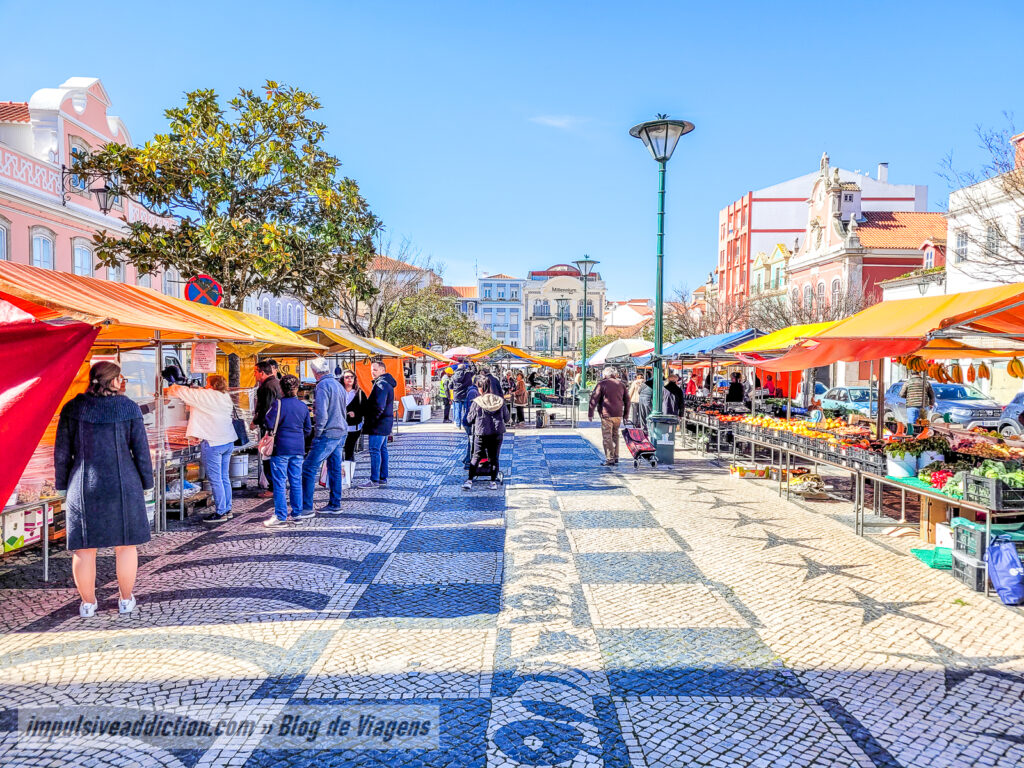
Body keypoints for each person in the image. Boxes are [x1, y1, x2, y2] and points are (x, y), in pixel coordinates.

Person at [55, 362, 153, 617]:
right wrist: (147, 483)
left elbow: (62, 453)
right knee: (126, 546)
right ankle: (125, 599)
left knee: (84, 548)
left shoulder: (73, 408)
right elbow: (141, 451)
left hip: (83, 485)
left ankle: (87, 605)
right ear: (114, 380)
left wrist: (62, 486)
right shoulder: (128, 407)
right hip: (124, 484)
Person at [166, 374, 237, 523]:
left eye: (207, 383)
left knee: (216, 479)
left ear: (211, 385)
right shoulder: (225, 397)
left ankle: (221, 512)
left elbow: (182, 392)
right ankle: (227, 508)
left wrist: (172, 384)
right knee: (224, 477)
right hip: (228, 440)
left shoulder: (207, 395)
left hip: (213, 442)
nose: (204, 385)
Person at [263, 374, 312, 527]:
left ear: (281, 388)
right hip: (298, 448)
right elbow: (308, 429)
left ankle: (280, 515)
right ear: (296, 388)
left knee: (279, 483)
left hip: (281, 448)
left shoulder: (277, 404)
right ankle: (297, 514)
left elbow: (268, 423)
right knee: (296, 481)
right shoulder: (303, 406)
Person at [301, 358, 346, 514]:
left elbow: (321, 413)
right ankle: (335, 504)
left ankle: (306, 507)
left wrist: (317, 434)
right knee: (334, 468)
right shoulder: (338, 385)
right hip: (340, 431)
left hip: (328, 433)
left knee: (308, 468)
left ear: (314, 372)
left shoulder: (322, 386)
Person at [464, 375, 509, 490]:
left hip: (481, 433)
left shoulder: (477, 402)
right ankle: (493, 482)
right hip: (497, 433)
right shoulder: (500, 401)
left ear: (481, 388)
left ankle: (469, 481)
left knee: (476, 456)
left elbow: (469, 419)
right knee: (494, 457)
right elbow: (507, 418)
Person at [359, 360, 396, 487]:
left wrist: (372, 420)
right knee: (382, 450)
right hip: (385, 423)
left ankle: (374, 479)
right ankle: (382, 477)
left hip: (378, 424)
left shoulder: (381, 384)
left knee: (375, 450)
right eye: (371, 370)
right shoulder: (387, 383)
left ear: (382, 370)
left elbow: (379, 406)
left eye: (375, 370)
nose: (372, 372)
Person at [252, 361, 283, 498]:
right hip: (278, 427)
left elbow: (266, 409)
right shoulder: (276, 383)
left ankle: (272, 488)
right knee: (272, 457)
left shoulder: (266, 387)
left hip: (270, 428)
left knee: (267, 456)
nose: (254, 375)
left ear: (262, 372)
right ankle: (275, 485)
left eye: (255, 372)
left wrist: (255, 421)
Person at [589, 366, 630, 466]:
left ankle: (610, 458)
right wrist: (626, 415)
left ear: (605, 374)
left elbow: (594, 399)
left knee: (607, 436)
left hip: (607, 414)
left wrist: (591, 413)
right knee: (615, 435)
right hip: (618, 414)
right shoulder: (621, 384)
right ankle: (616, 456)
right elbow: (628, 401)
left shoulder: (602, 384)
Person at [341, 368, 368, 488]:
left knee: (349, 450)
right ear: (343, 379)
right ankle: (340, 476)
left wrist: (355, 413)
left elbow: (365, 409)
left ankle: (348, 477)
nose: (349, 379)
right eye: (347, 377)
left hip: (354, 428)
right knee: (339, 452)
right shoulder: (339, 391)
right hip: (340, 427)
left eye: (351, 377)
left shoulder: (359, 393)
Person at [899, 370, 935, 436]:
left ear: (911, 374)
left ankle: (912, 438)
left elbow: (901, 394)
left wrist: (909, 396)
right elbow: (932, 395)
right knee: (923, 424)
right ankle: (922, 437)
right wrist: (931, 404)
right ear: (920, 374)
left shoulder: (907, 382)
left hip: (911, 406)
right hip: (923, 406)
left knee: (912, 424)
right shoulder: (926, 382)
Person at [461, 375, 481, 467]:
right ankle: (469, 461)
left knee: (472, 440)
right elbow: (471, 409)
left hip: (469, 420)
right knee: (472, 440)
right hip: (469, 421)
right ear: (477, 382)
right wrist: (473, 419)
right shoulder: (473, 392)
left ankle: (468, 459)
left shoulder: (474, 391)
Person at [451, 362, 475, 431]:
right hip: (465, 394)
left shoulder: (454, 375)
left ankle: (458, 425)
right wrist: (471, 363)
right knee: (467, 410)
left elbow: (450, 386)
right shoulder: (468, 374)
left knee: (458, 410)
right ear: (464, 368)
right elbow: (474, 371)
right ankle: (466, 423)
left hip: (457, 395)